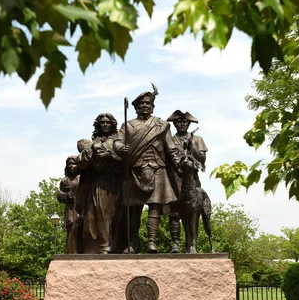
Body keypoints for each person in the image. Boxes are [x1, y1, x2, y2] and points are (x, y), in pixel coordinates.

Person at [114, 84, 182, 254]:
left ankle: (152, 242)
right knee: (133, 209)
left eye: (148, 103)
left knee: (155, 206)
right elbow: (117, 141)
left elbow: (171, 147)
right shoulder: (128, 126)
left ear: (152, 106)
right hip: (135, 170)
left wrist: (180, 164)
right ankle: (134, 243)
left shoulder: (162, 125)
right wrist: (121, 148)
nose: (144, 106)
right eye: (141, 104)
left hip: (157, 168)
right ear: (136, 107)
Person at [76, 114, 124, 254]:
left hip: (112, 182)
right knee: (91, 216)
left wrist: (109, 155)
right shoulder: (93, 142)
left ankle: (108, 246)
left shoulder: (117, 141)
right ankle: (93, 248)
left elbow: (125, 162)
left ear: (112, 124)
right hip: (95, 182)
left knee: (108, 215)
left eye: (107, 123)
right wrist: (91, 153)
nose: (104, 125)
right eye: (102, 123)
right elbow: (80, 161)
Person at [166, 110, 208, 253]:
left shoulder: (198, 139)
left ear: (188, 124)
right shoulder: (170, 140)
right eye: (178, 122)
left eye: (184, 122)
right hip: (174, 181)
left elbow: (202, 159)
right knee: (174, 213)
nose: (181, 125)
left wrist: (192, 147)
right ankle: (175, 243)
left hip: (192, 181)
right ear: (175, 124)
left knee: (193, 214)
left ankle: (192, 245)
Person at [56, 156, 80, 254]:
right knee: (72, 229)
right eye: (69, 164)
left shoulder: (82, 178)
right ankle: (71, 252)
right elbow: (59, 195)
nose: (71, 166)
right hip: (71, 208)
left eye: (73, 163)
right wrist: (66, 196)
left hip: (82, 207)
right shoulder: (65, 180)